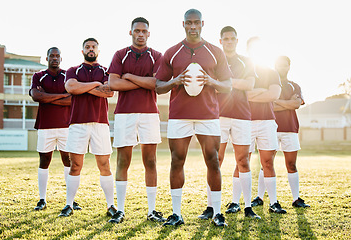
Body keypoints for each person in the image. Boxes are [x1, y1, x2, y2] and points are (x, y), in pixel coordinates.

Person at [155, 9, 232, 227]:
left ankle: (217, 213)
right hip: (180, 115)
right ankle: (176, 214)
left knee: (213, 160)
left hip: (208, 115)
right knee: (177, 160)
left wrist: (212, 81)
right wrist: (175, 81)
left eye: (196, 23)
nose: (193, 27)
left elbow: (228, 85)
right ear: (183, 24)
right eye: (189, 23)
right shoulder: (172, 52)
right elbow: (158, 86)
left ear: (202, 24)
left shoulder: (215, 51)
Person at [198, 26, 260, 220]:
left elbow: (249, 84)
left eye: (233, 38)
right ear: (221, 41)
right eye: (226, 38)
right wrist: (225, 83)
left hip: (242, 115)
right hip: (218, 116)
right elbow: (210, 86)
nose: (230, 41)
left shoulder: (247, 61)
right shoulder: (214, 60)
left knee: (243, 160)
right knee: (216, 160)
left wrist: (223, 83)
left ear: (237, 40)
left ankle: (248, 207)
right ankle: (211, 207)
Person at [107, 17, 165, 224]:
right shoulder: (120, 55)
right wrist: (142, 82)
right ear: (130, 32)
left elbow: (157, 83)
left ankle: (151, 210)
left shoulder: (157, 56)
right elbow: (113, 83)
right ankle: (120, 210)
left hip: (149, 113)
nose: (140, 34)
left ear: (149, 33)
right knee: (123, 160)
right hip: (125, 113)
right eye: (137, 31)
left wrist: (129, 76)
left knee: (150, 161)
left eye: (144, 31)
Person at [58, 38, 116, 221]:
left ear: (98, 50)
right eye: (87, 47)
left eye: (93, 47)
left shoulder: (106, 71)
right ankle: (69, 204)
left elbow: (110, 92)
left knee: (105, 165)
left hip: (100, 123)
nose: (90, 49)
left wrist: (81, 88)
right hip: (78, 123)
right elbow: (70, 87)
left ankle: (111, 205)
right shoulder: (72, 70)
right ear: (82, 50)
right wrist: (95, 85)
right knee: (75, 165)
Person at [30, 47, 81, 211]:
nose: (54, 58)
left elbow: (72, 100)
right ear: (46, 58)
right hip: (45, 126)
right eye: (51, 56)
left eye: (57, 56)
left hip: (66, 126)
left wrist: (47, 98)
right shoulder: (38, 76)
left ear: (61, 58)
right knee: (44, 161)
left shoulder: (68, 75)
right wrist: (61, 95)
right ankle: (42, 199)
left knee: (68, 161)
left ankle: (70, 201)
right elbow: (36, 96)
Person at [246, 37, 287, 214]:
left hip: (267, 122)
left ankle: (274, 202)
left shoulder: (271, 72)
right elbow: (240, 95)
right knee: (242, 161)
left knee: (268, 162)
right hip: (245, 121)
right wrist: (262, 92)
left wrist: (251, 94)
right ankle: (236, 203)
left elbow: (274, 95)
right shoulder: (242, 71)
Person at [272, 56, 309, 208]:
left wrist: (277, 102)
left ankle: (296, 199)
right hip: (271, 128)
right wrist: (289, 104)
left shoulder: (295, 86)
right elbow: (269, 107)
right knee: (266, 164)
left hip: (290, 128)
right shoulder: (270, 85)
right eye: (278, 64)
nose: (281, 67)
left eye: (284, 65)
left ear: (289, 67)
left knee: (291, 165)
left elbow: (297, 104)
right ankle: (259, 198)